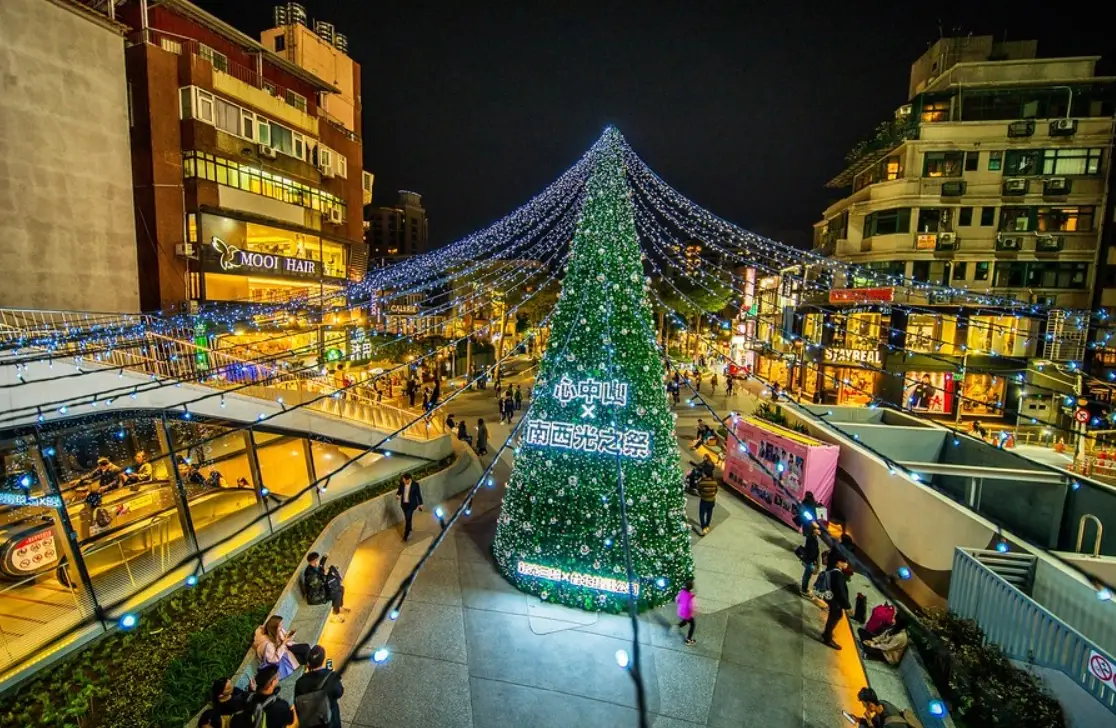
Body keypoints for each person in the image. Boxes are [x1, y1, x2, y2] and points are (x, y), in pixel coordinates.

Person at [294, 645, 344, 728]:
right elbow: (339, 692)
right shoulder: (330, 677)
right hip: (330, 721)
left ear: (308, 663)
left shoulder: (300, 682)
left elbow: (297, 703)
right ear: (323, 659)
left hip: (310, 722)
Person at [253, 615, 311, 679]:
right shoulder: (268, 645)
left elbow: (285, 640)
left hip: (285, 651)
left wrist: (289, 636)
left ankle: (311, 664)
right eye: (280, 625)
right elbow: (274, 660)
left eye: (282, 623)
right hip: (281, 660)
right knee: (305, 652)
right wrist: (284, 643)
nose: (282, 626)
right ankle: (312, 664)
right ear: (274, 628)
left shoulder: (277, 631)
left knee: (306, 648)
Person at [303, 553, 349, 623]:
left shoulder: (314, 566)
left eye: (318, 559)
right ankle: (335, 615)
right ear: (314, 561)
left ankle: (339, 607)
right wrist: (325, 575)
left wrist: (324, 558)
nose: (319, 561)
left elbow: (321, 566)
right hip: (316, 596)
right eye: (318, 560)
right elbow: (319, 584)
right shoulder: (310, 575)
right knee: (337, 594)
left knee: (341, 588)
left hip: (320, 590)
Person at [819, 555, 853, 650]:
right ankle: (827, 637)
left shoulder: (833, 569)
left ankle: (827, 633)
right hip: (834, 599)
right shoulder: (838, 574)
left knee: (836, 615)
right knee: (836, 615)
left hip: (830, 596)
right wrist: (848, 606)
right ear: (838, 562)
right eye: (844, 562)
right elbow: (840, 591)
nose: (846, 564)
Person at [396, 472, 424, 541]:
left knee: (408, 518)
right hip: (404, 504)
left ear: (408, 479)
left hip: (411, 505)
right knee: (407, 517)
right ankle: (410, 527)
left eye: (404, 480)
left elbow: (418, 494)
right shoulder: (402, 483)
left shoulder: (415, 485)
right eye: (403, 480)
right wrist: (398, 495)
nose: (403, 481)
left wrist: (420, 504)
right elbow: (399, 491)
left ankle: (406, 534)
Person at [798, 521, 821, 596]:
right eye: (818, 529)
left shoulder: (813, 537)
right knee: (807, 575)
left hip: (810, 560)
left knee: (808, 575)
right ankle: (803, 589)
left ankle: (804, 588)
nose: (819, 531)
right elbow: (812, 551)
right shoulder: (811, 538)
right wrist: (814, 560)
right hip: (810, 560)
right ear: (814, 530)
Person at [675, 578, 697, 646]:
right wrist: (693, 613)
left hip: (680, 611)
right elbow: (691, 607)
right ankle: (688, 640)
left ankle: (676, 627)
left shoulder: (681, 592)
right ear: (691, 588)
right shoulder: (691, 596)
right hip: (687, 614)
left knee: (684, 621)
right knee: (692, 625)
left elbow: (677, 600)